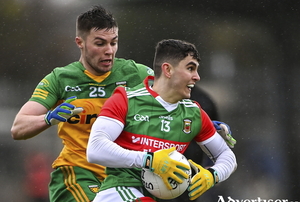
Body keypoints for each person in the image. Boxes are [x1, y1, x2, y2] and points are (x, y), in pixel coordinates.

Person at [10, 5, 155, 202]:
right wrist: (48, 118)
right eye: (100, 43)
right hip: (78, 173)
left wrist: (204, 124)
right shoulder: (60, 79)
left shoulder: (135, 74)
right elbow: (18, 127)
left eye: (113, 43)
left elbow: (177, 96)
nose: (109, 51)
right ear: (80, 42)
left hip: (123, 177)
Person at [86, 39, 237, 202]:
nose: (197, 77)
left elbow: (226, 155)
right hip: (118, 192)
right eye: (190, 68)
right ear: (168, 70)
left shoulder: (194, 113)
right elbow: (95, 149)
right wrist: (148, 160)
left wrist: (212, 175)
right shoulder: (126, 100)